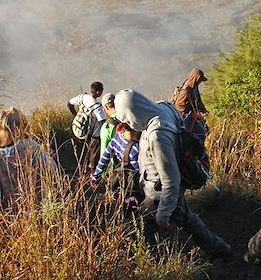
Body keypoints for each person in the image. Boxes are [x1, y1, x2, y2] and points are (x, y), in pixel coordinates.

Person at [114, 89, 233, 260]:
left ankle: (155, 263)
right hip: (164, 191)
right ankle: (221, 250)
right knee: (187, 220)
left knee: (143, 227)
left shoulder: (158, 137)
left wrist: (163, 211)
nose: (129, 125)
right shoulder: (164, 108)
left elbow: (171, 178)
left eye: (126, 119)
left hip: (160, 194)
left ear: (132, 113)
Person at [0, 107, 57, 206]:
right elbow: (53, 170)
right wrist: (48, 153)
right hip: (40, 209)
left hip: (12, 217)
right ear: (22, 126)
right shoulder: (30, 146)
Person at [68, 81, 107, 171]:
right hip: (87, 132)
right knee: (94, 147)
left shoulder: (82, 97)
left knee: (84, 148)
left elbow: (69, 104)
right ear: (98, 92)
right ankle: (92, 168)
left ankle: (82, 165)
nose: (102, 92)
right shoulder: (97, 107)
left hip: (76, 127)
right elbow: (102, 123)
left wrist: (75, 115)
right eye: (102, 90)